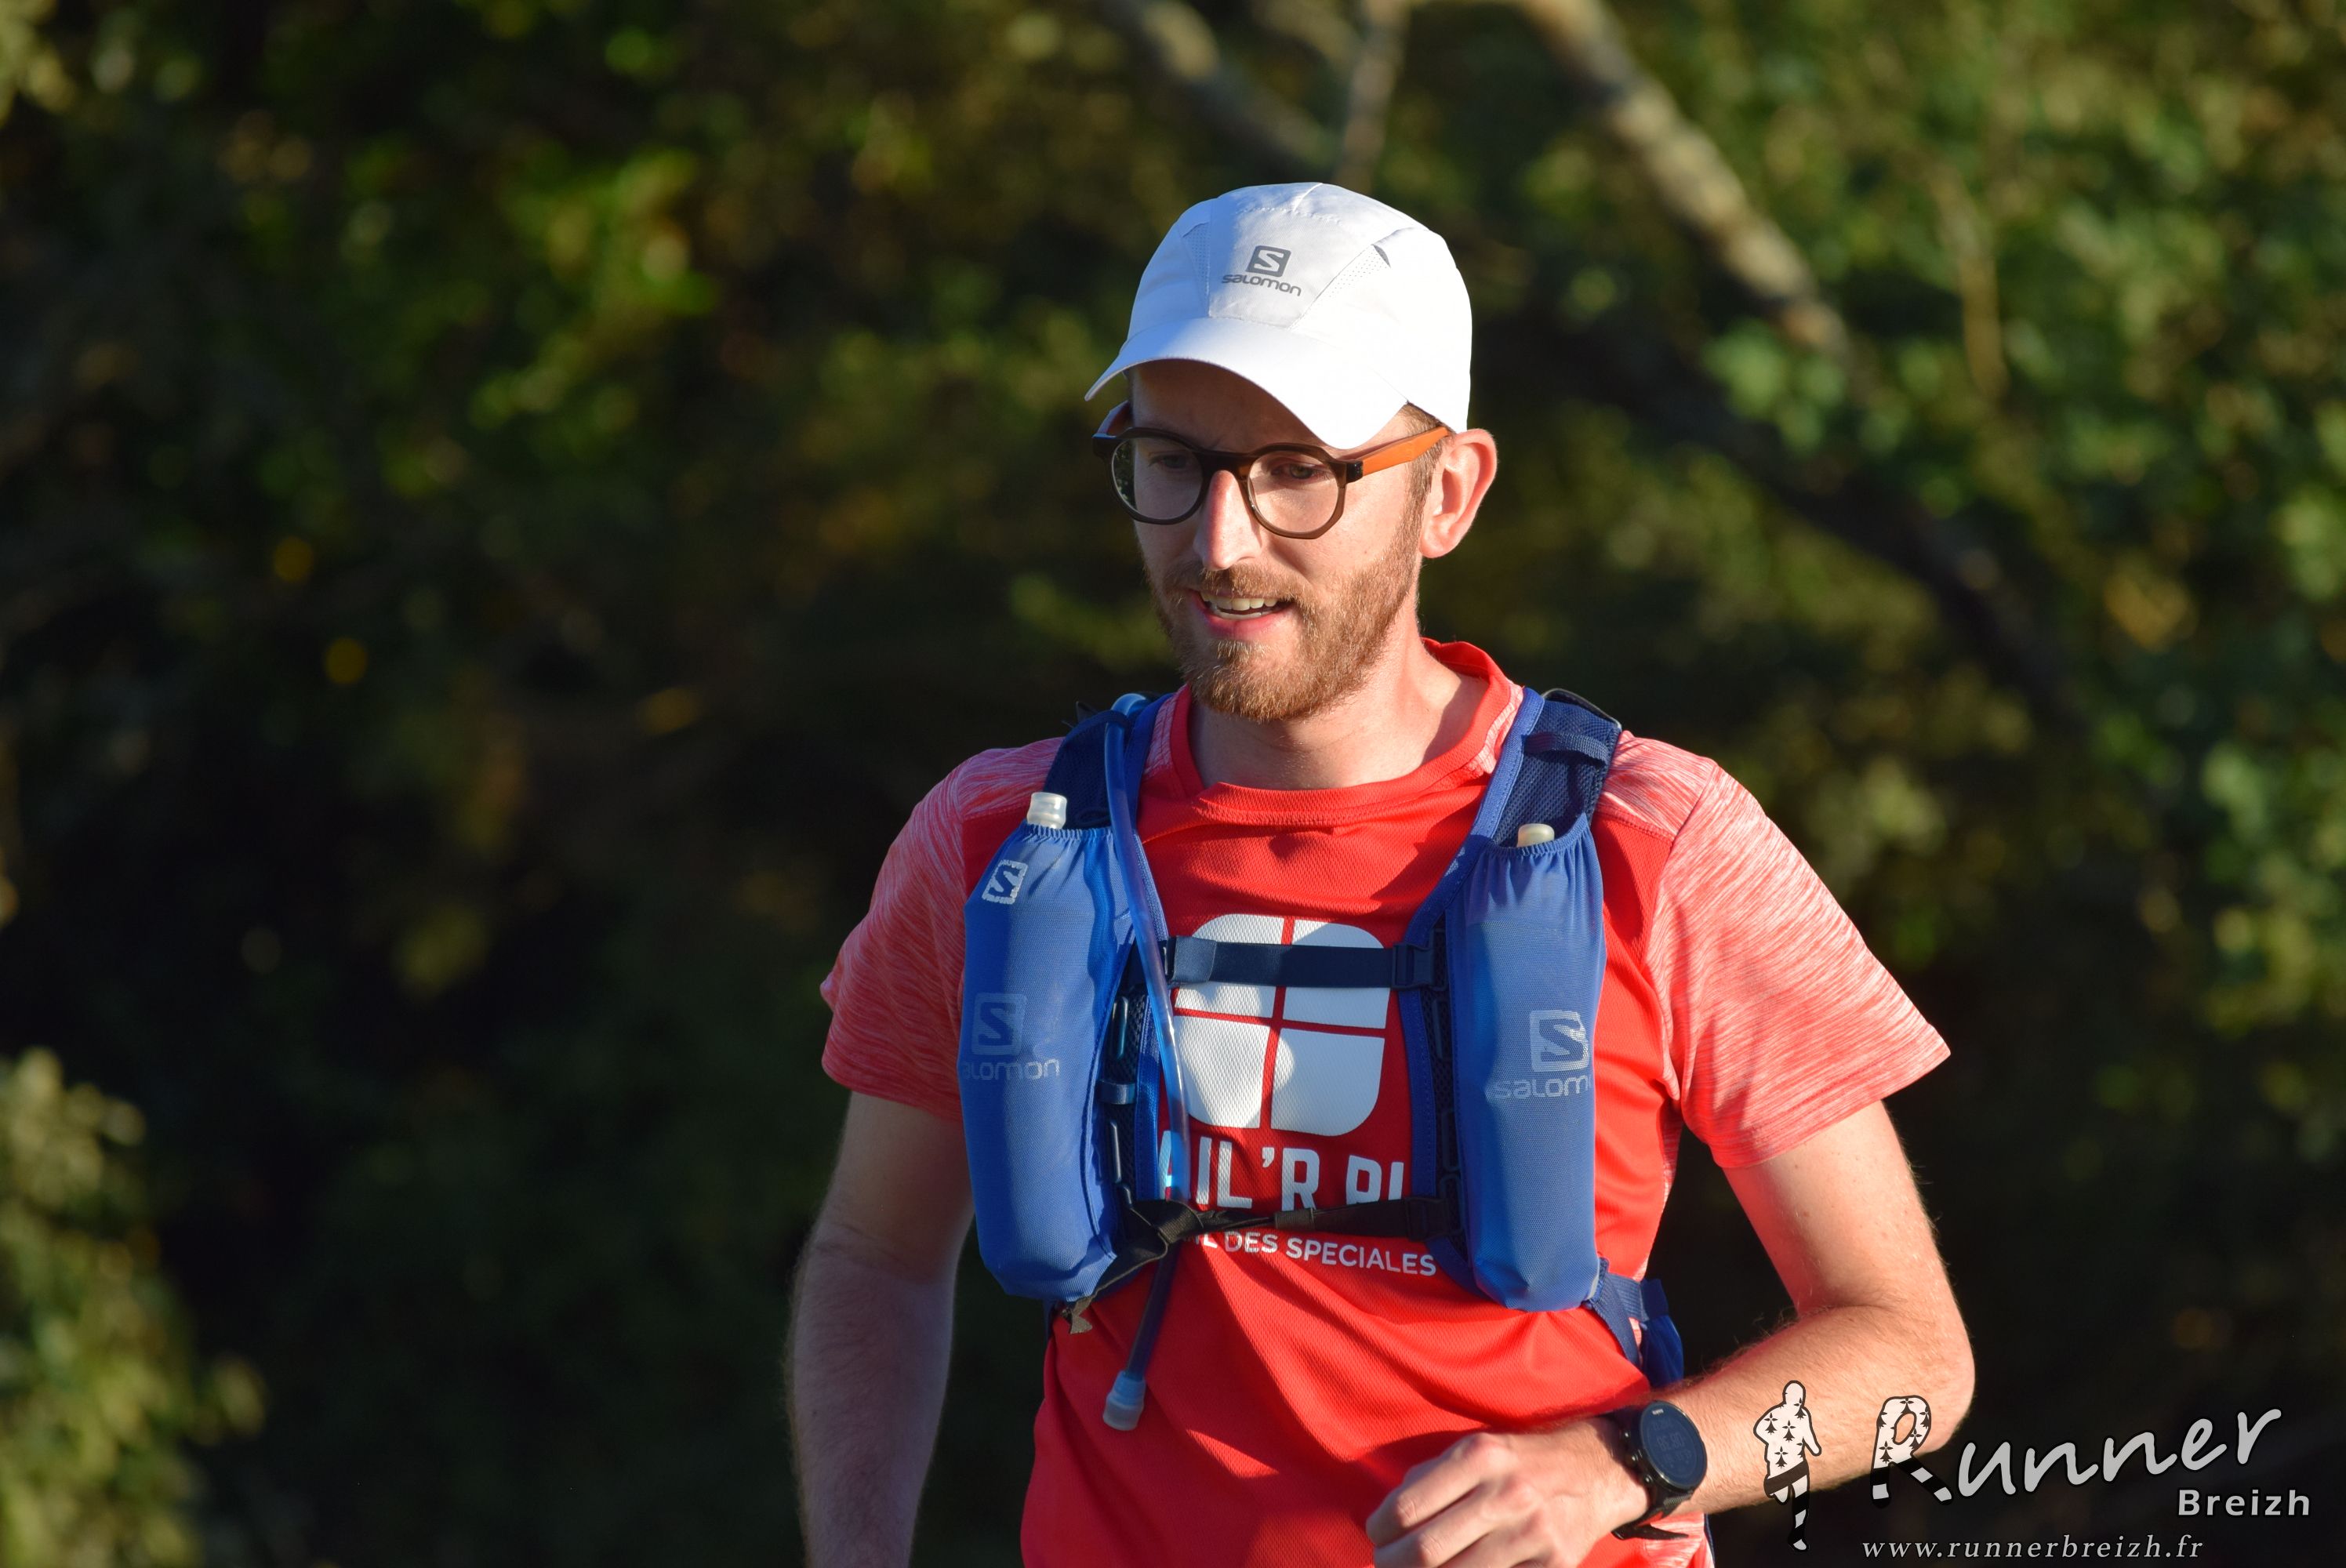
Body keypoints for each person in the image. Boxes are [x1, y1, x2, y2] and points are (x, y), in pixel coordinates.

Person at [790, 182, 1973, 1568]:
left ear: (1448, 492)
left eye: (1298, 469)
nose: (1220, 541)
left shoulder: (1657, 840)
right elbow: (875, 1259)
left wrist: (1623, 1465)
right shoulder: (1000, 837)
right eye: (1169, 460)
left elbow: (1914, 1361)